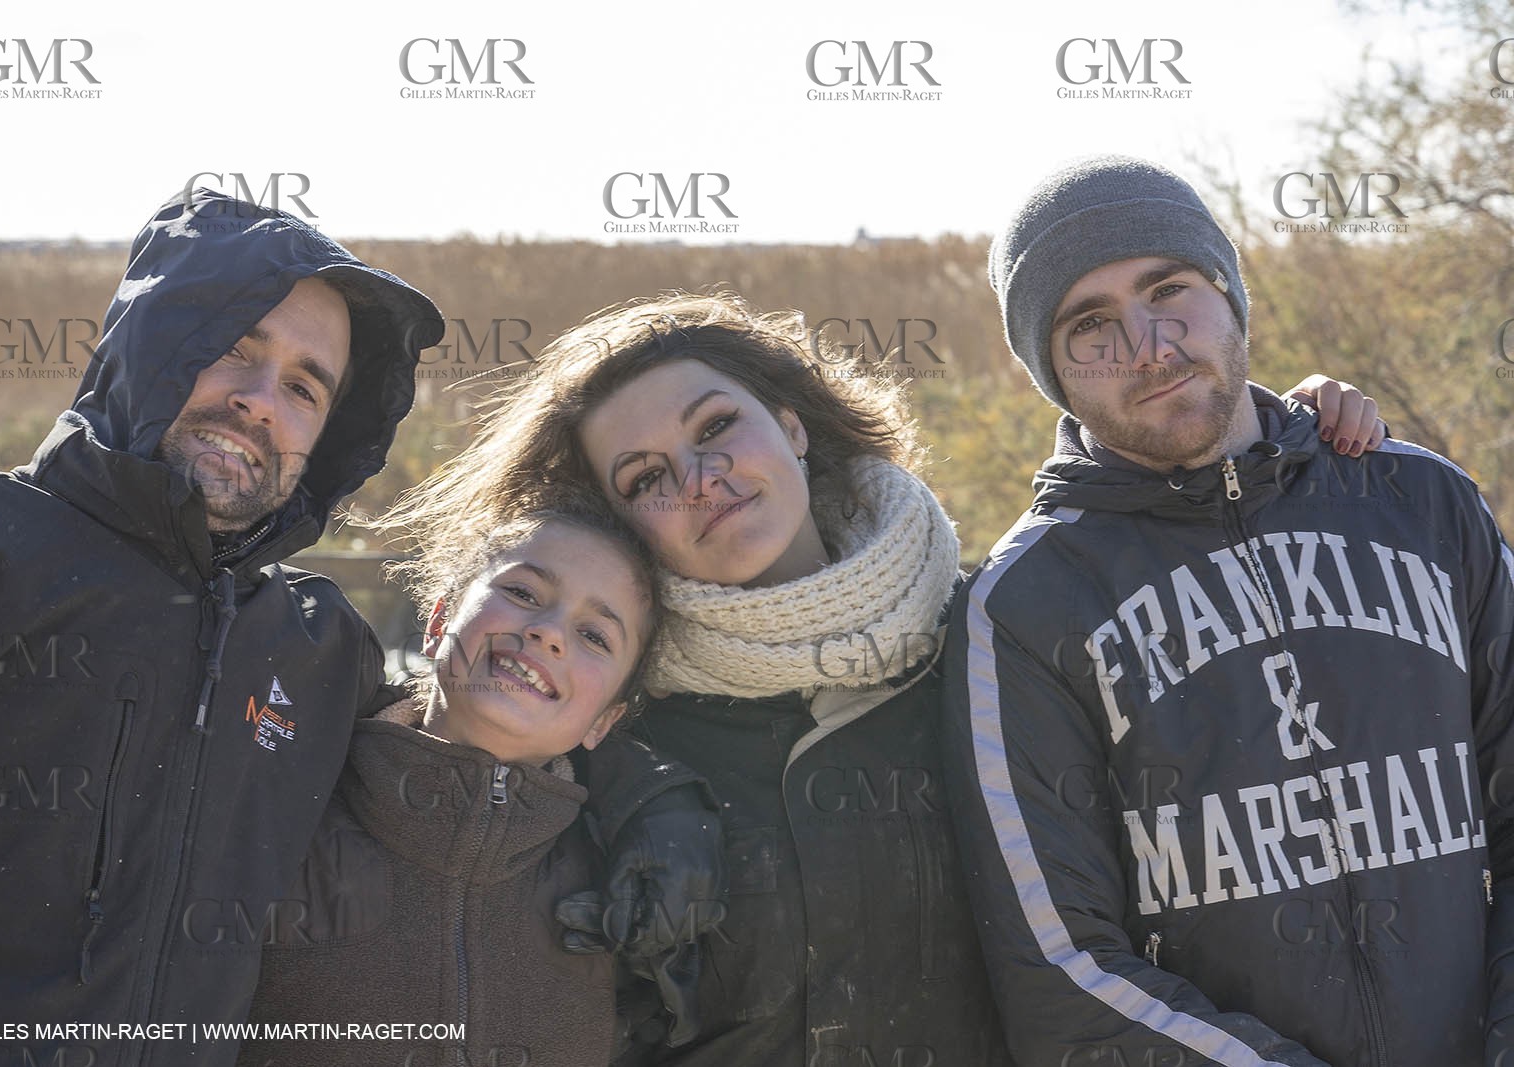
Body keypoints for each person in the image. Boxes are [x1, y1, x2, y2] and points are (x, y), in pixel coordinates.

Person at [390, 286, 1387, 1066]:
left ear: (789, 422)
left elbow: (1213, 672)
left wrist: (1280, 443)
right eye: (646, 477)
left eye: (714, 428)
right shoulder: (612, 729)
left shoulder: (1005, 634)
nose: (699, 477)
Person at [944, 154, 1514, 1065]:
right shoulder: (1027, 604)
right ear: (1051, 371)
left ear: (1228, 290)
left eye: (1168, 289)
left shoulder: (1423, 505)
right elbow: (1060, 966)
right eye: (1089, 325)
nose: (1148, 346)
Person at [0, 187, 445, 1067]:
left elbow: (479, 767)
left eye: (306, 388)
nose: (261, 401)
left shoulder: (323, 650)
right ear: (145, 342)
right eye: (234, 347)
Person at [238, 496, 661, 1067]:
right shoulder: (283, 809)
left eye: (596, 636)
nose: (549, 632)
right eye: (523, 593)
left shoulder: (618, 890)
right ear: (439, 624)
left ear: (604, 720)